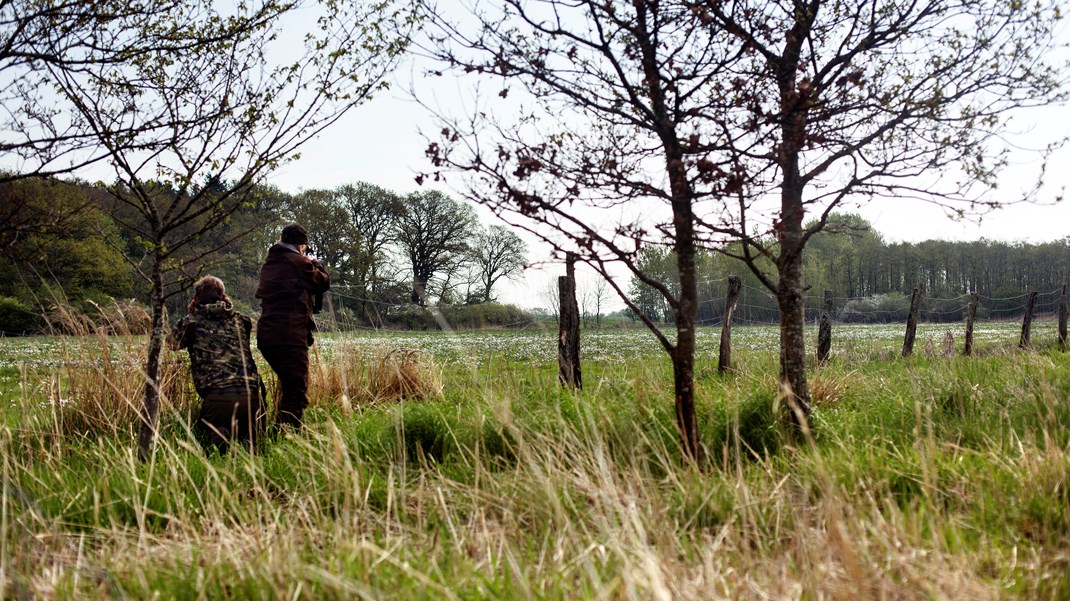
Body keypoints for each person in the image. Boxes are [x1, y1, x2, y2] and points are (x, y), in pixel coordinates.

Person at [170, 276, 265, 454]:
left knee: (208, 436)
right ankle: (242, 442)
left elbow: (171, 344)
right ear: (223, 296)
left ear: (196, 298)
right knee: (247, 441)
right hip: (250, 397)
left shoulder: (190, 323)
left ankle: (218, 438)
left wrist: (192, 312)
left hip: (217, 399)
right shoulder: (241, 320)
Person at [255, 223, 330, 431]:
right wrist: (317, 264)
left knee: (289, 385)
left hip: (267, 335)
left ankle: (279, 428)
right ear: (302, 245)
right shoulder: (299, 262)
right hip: (290, 335)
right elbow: (323, 282)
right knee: (296, 390)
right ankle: (287, 436)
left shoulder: (270, 262)